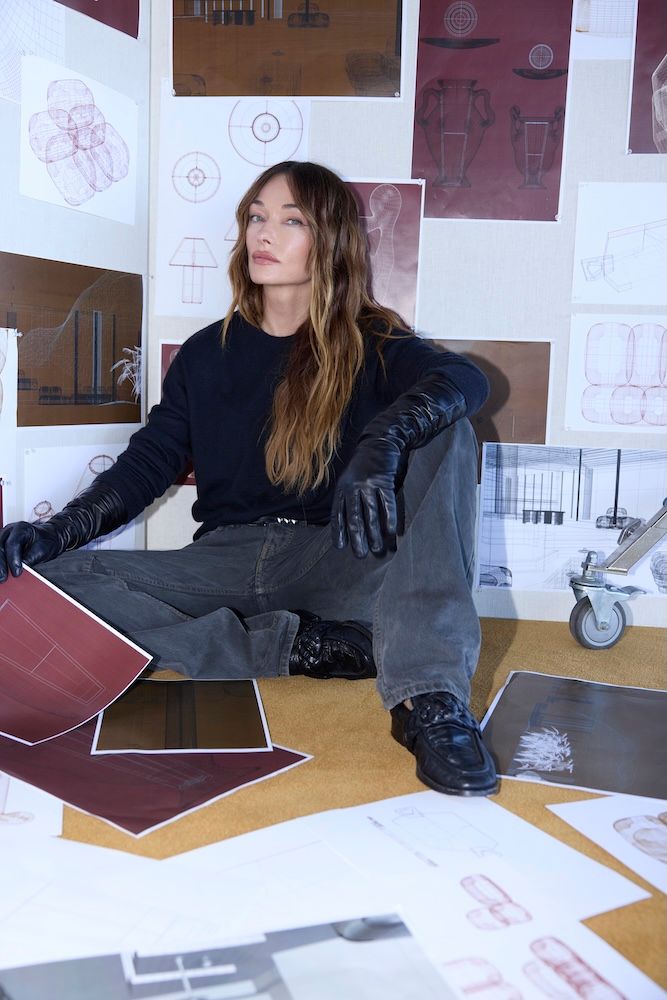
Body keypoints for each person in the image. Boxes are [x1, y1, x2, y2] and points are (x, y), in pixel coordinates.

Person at [0, 160, 497, 797]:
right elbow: (150, 460)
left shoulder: (375, 342)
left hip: (335, 555)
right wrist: (61, 531)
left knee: (447, 428)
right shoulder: (207, 353)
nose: (264, 232)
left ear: (331, 240)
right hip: (223, 563)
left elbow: (468, 382)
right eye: (256, 217)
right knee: (43, 589)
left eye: (291, 220)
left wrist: (387, 438)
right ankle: (298, 649)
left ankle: (429, 698)